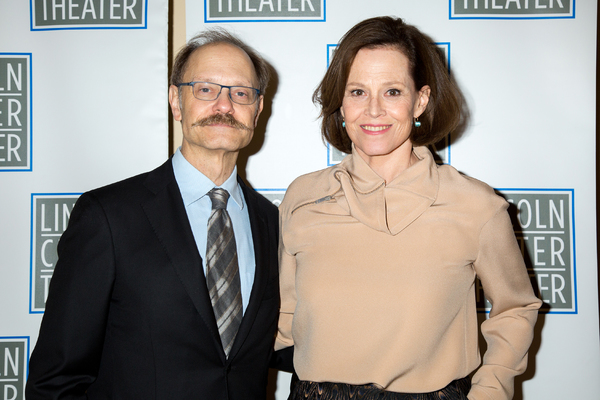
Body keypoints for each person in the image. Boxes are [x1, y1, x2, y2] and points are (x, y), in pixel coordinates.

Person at [275, 16, 542, 400]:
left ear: (421, 100)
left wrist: (491, 388)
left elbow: (515, 307)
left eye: (393, 92)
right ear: (341, 103)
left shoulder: (476, 206)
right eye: (357, 92)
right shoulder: (302, 196)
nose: (373, 110)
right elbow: (285, 316)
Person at [26, 28, 286, 399]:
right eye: (206, 89)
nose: (225, 106)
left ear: (258, 110)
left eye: (241, 93)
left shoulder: (272, 224)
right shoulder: (108, 217)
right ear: (176, 102)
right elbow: (55, 381)